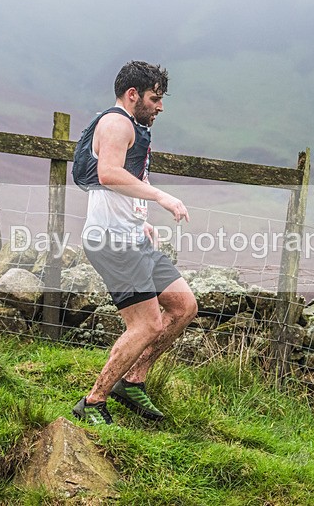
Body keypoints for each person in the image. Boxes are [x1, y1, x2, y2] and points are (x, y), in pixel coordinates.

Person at [72, 60, 198, 425]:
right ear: (133, 94)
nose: (161, 107)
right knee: (147, 325)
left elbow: (127, 179)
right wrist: (161, 197)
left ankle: (132, 381)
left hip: (132, 236)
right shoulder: (116, 123)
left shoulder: (132, 126)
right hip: (112, 241)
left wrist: (140, 218)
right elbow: (108, 174)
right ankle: (93, 401)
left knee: (184, 306)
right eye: (155, 98)